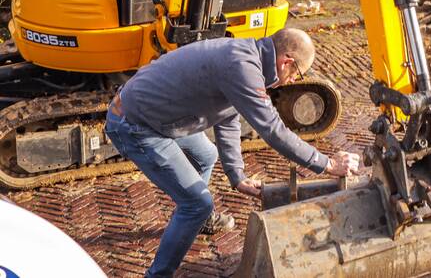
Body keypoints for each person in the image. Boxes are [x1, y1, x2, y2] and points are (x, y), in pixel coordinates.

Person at [104, 28, 360, 278]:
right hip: (136, 124)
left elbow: (227, 117)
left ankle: (197, 220)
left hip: (157, 115)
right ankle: (160, 271)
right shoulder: (242, 67)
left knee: (206, 155)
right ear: (286, 62)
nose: (294, 80)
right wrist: (326, 164)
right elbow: (273, 131)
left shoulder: (247, 56)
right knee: (197, 203)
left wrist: (236, 175)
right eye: (298, 73)